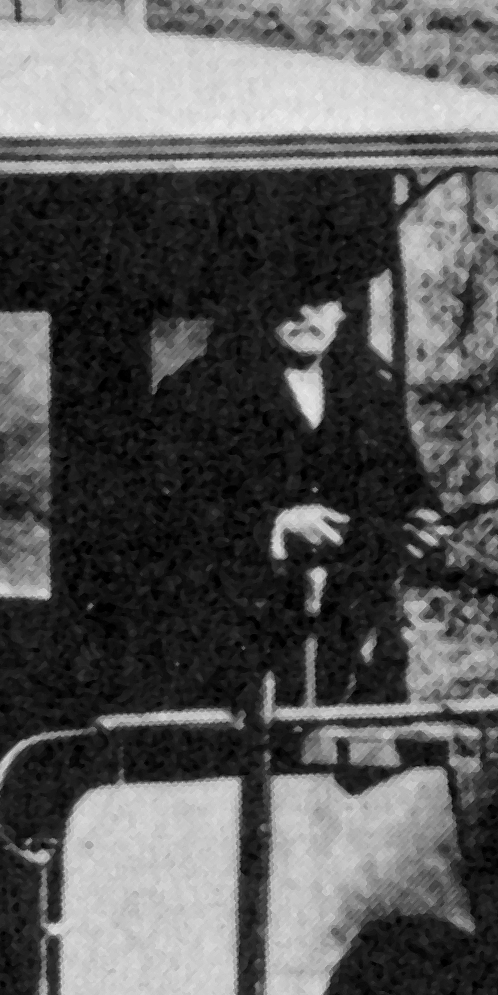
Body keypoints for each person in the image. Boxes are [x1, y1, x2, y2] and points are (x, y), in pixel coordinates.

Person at [134, 277, 434, 711]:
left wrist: (423, 525)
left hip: (349, 655)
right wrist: (273, 530)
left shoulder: (370, 395)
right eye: (287, 298)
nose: (304, 313)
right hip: (232, 658)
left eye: (320, 298)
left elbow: (411, 492)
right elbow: (165, 524)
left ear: (341, 310)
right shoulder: (194, 394)